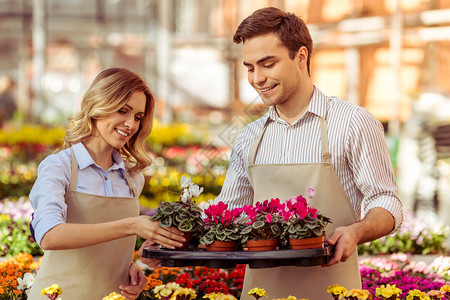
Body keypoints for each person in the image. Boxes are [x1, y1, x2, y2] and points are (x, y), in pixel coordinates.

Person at [215, 7, 403, 299]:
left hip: (331, 290)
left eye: (268, 64)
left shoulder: (352, 122)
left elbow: (386, 201)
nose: (257, 79)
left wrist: (355, 231)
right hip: (261, 292)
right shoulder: (249, 137)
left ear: (300, 56)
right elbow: (227, 215)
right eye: (250, 68)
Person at [28, 68, 186, 299]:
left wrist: (134, 265)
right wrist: (132, 225)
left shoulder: (132, 177)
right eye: (123, 111)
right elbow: (49, 235)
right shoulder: (59, 166)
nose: (131, 124)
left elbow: (107, 247)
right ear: (97, 105)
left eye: (138, 117)